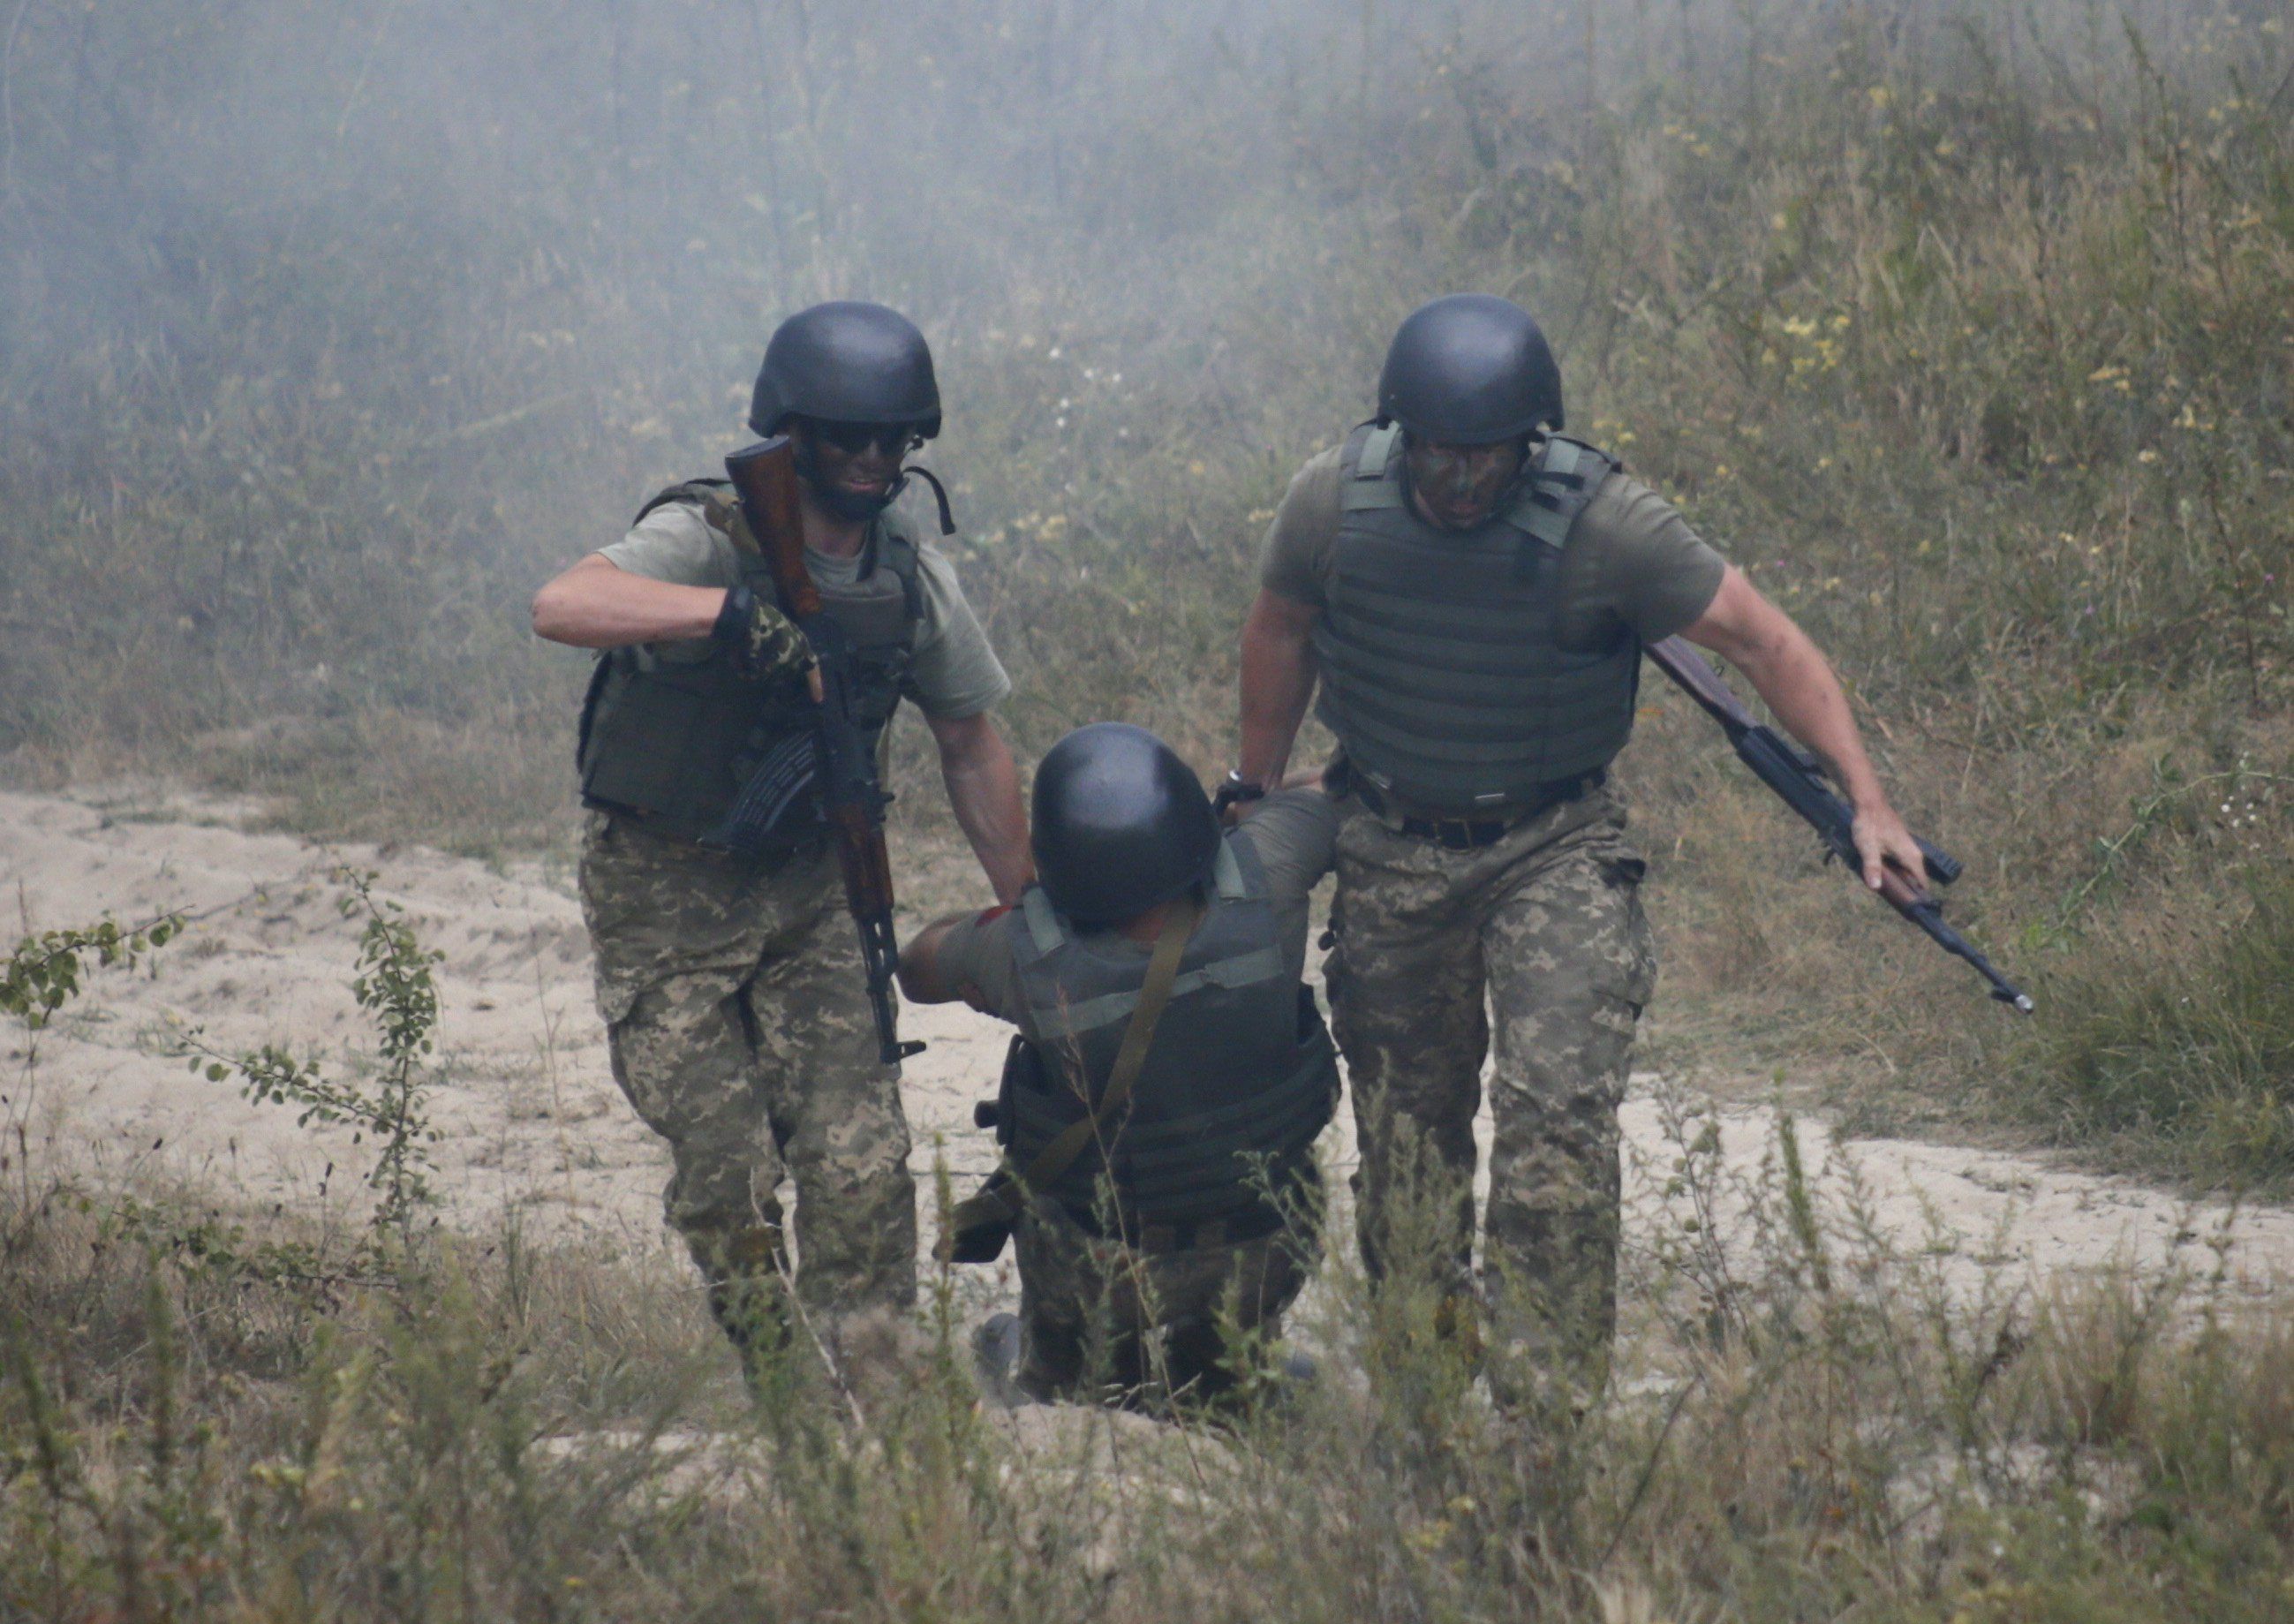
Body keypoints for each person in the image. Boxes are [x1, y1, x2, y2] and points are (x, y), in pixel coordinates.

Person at [1226, 293, 1927, 1418]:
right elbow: (1281, 628)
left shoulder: (1607, 525)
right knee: (1409, 1154)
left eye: (1486, 459)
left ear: (1531, 443)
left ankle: (1547, 1415)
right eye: (1439, 456)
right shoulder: (1334, 501)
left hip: (1551, 846)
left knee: (1555, 1131)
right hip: (1393, 847)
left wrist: (1869, 800)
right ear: (1402, 432)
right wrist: (1255, 786)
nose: (1460, 482)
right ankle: (1421, 1393)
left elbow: (1765, 640)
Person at [531, 300, 1030, 1391]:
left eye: (890, 439)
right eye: (842, 436)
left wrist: (1033, 916)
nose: (866, 459)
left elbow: (970, 744)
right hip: (665, 895)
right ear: (791, 434)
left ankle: (883, 1390)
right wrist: (715, 617)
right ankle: (783, 1387)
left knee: (861, 1166)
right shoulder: (708, 535)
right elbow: (564, 603)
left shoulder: (907, 573)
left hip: (812, 896)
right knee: (727, 1175)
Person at [900, 723, 1340, 1409]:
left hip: (1101, 1266)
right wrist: (1245, 803)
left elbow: (917, 967)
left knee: (1044, 1207)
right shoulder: (1272, 867)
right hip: (1265, 1244)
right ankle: (1230, 1359)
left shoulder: (1020, 953)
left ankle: (1057, 1370)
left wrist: (1018, 907)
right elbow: (1331, 791)